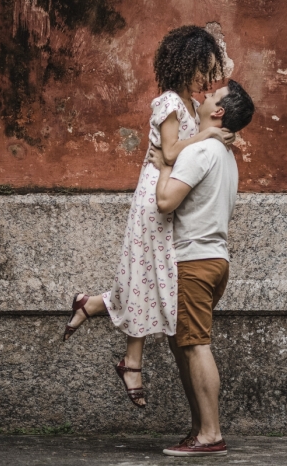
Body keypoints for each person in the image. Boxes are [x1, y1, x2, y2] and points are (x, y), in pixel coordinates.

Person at [62, 25, 233, 408]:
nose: (208, 78)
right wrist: (208, 136)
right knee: (146, 276)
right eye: (203, 68)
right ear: (185, 65)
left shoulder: (190, 105)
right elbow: (170, 152)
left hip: (170, 195)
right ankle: (130, 360)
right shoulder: (169, 102)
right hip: (155, 197)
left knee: (149, 277)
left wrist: (210, 133)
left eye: (211, 69)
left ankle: (92, 307)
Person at [148, 80, 255, 456]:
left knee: (195, 346)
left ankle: (210, 434)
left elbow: (164, 201)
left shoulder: (200, 151)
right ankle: (199, 430)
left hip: (193, 261)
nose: (205, 96)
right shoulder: (225, 155)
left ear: (219, 112)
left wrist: (164, 165)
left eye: (212, 96)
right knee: (185, 346)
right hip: (215, 260)